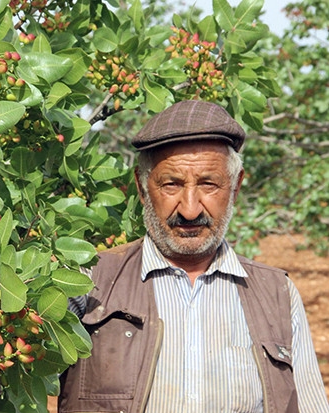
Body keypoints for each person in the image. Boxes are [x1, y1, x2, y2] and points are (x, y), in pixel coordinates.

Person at [58, 100, 329, 413]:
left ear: (236, 187)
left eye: (208, 184)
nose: (190, 209)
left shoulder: (278, 294)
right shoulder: (87, 280)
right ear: (143, 189)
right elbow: (8, 382)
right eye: (171, 184)